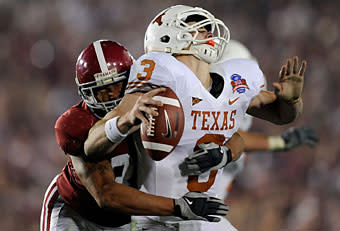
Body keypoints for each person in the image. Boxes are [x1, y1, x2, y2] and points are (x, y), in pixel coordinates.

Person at [85, 5, 306, 231]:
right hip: (155, 220)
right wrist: (127, 119)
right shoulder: (161, 75)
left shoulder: (234, 81)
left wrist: (291, 100)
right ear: (168, 35)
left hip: (201, 216)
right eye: (196, 24)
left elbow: (282, 116)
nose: (209, 32)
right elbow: (91, 145)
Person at [40, 40, 231, 231]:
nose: (112, 97)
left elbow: (227, 133)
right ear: (86, 94)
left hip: (126, 218)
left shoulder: (158, 102)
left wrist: (223, 151)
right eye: (101, 92)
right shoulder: (75, 123)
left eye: (118, 85)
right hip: (75, 212)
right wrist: (177, 206)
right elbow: (106, 195)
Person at [206, 40, 319, 199]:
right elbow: (225, 134)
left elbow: (283, 115)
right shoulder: (198, 100)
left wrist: (292, 100)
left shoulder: (240, 96)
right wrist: (279, 143)